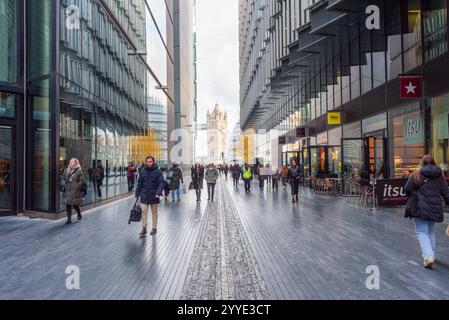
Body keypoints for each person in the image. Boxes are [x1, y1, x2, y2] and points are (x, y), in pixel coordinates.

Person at [404, 155, 449, 268]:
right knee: (431, 230)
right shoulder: (440, 176)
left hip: (419, 207)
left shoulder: (416, 175)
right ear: (434, 163)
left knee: (421, 231)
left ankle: (428, 256)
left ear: (421, 163)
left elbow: (407, 189)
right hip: (435, 207)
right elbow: (446, 192)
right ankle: (431, 255)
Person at [135, 156, 165, 237]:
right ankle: (144, 228)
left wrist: (158, 193)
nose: (149, 163)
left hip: (154, 195)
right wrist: (137, 194)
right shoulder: (142, 171)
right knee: (144, 211)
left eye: (150, 161)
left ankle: (154, 228)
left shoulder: (158, 172)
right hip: (144, 195)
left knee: (154, 212)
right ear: (145, 162)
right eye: (147, 162)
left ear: (153, 162)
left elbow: (161, 183)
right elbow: (139, 184)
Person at [61, 158, 85, 225]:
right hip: (67, 189)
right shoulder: (66, 170)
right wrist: (63, 184)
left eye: (72, 162)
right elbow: (62, 177)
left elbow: (82, 180)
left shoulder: (79, 171)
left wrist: (77, 186)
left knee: (75, 204)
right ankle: (69, 219)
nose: (71, 163)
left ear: (75, 163)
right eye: (70, 161)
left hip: (75, 190)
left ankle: (79, 213)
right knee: (68, 204)